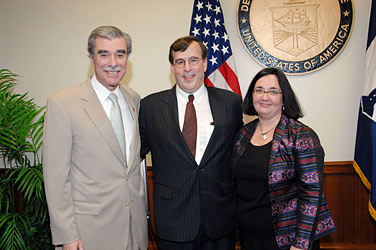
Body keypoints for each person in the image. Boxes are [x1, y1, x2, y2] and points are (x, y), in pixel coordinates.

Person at [43, 25, 148, 250]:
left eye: (120, 54)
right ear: (92, 58)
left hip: (134, 231)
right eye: (104, 54)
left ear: (127, 58)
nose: (113, 62)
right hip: (88, 233)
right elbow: (55, 178)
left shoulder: (134, 100)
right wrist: (67, 236)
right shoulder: (63, 103)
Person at [139, 36, 243, 250]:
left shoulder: (230, 102)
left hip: (220, 220)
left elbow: (241, 154)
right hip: (174, 222)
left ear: (205, 63)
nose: (187, 68)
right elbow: (131, 156)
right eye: (180, 62)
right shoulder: (150, 107)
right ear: (172, 67)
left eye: (193, 60)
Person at [232, 67, 336, 250]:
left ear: (283, 98)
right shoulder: (242, 134)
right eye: (259, 90)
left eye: (273, 91)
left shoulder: (301, 135)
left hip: (288, 239)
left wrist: (301, 244)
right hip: (250, 236)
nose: (265, 97)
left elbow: (311, 193)